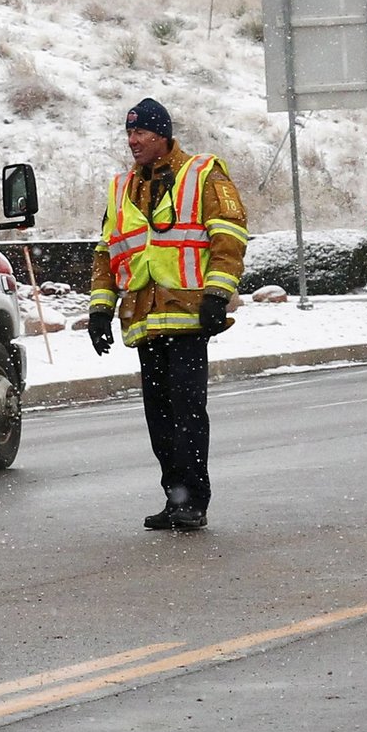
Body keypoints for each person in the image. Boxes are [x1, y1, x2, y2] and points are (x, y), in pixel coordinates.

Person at [87, 97, 248, 533]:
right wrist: (100, 308)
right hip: (143, 319)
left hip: (188, 317)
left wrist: (218, 293)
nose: (133, 141)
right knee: (159, 417)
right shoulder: (122, 187)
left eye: (142, 133)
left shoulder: (202, 173)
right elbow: (107, 251)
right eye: (129, 133)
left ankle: (194, 499)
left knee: (188, 412)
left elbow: (229, 236)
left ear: (163, 136)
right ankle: (174, 496)